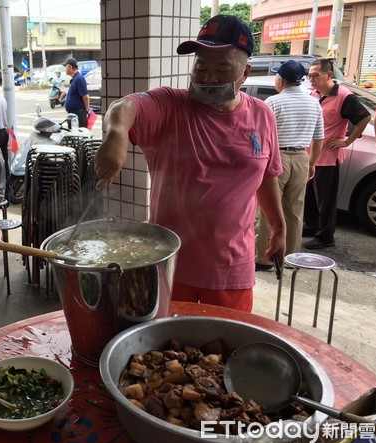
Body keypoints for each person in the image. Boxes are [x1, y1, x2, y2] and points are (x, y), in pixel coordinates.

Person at [93, 15, 286, 313]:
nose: (208, 77)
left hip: (231, 269)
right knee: (160, 351)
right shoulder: (171, 105)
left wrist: (278, 225)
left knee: (223, 351)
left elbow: (266, 176)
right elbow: (125, 107)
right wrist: (117, 134)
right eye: (201, 66)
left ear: (245, 73)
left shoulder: (262, 116)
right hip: (167, 261)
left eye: (222, 69)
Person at [255, 60, 325, 271]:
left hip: (277, 159)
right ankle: (291, 258)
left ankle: (263, 258)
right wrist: (312, 163)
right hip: (302, 158)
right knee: (294, 211)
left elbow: (262, 136)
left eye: (277, 76)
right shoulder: (314, 103)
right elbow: (319, 137)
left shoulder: (273, 102)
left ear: (282, 80)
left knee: (268, 209)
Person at [303, 58, 371, 249]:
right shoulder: (315, 94)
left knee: (326, 199)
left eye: (315, 76)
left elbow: (364, 117)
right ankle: (311, 226)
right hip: (311, 155)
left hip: (328, 157)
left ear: (329, 75)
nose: (311, 80)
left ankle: (326, 236)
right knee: (310, 196)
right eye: (309, 76)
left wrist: (347, 141)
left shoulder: (344, 96)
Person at [63, 58, 90, 128]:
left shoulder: (79, 78)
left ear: (70, 67)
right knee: (72, 135)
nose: (64, 69)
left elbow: (85, 97)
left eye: (65, 66)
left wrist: (86, 111)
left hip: (78, 114)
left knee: (79, 135)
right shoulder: (74, 79)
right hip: (73, 113)